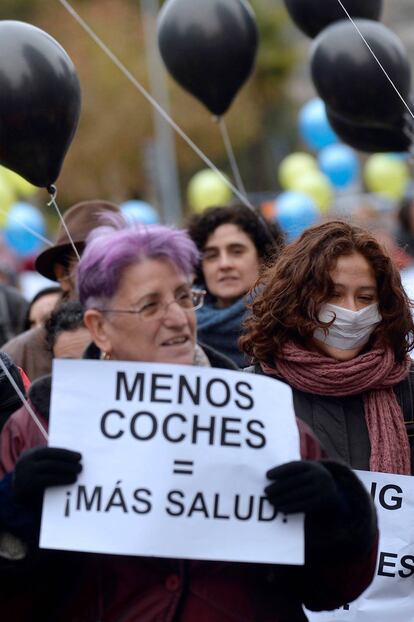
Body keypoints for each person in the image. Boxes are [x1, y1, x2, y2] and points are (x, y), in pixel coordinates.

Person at [0, 219, 377, 622]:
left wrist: (334, 513)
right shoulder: (38, 428)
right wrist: (15, 517)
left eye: (184, 297)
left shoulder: (260, 416)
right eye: (150, 305)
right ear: (100, 328)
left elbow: (333, 590)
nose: (178, 318)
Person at [240, 220, 414, 474]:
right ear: (296, 301)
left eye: (365, 297)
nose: (352, 311)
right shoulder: (253, 393)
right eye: (333, 294)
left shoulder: (408, 387)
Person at [2, 200, 120, 380]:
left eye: (123, 260)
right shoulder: (20, 355)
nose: (111, 271)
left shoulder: (155, 335)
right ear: (63, 274)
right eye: (93, 262)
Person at [187, 205, 283, 365]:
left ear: (262, 259)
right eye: (211, 255)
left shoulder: (287, 320)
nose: (224, 264)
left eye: (237, 251)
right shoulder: (184, 324)